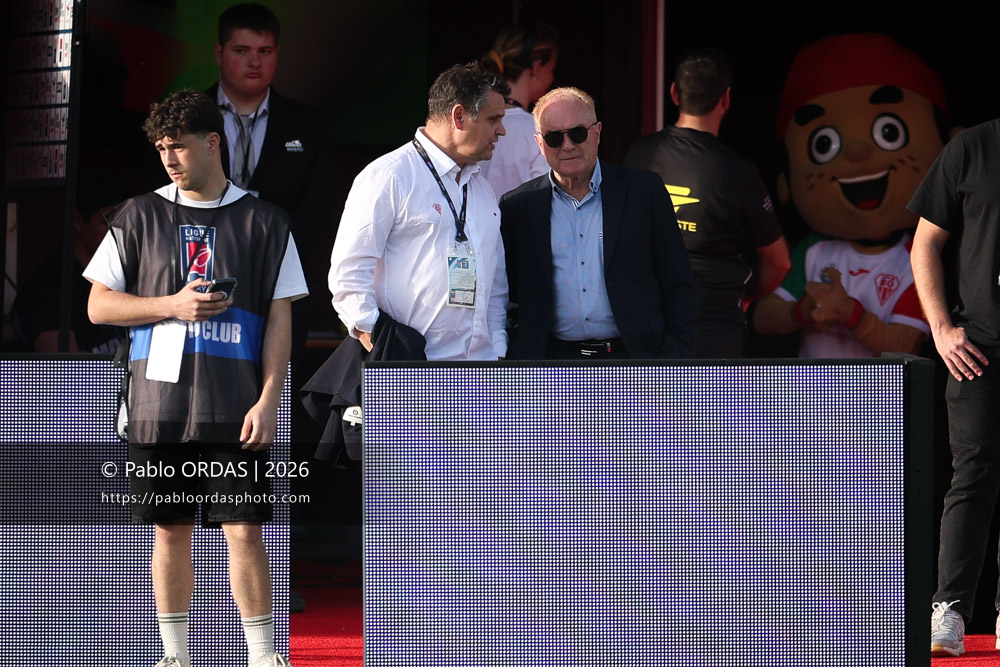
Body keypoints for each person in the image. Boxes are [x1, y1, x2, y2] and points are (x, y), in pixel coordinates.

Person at [84, 88, 306, 667]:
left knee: (244, 532)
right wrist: (171, 305)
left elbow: (281, 318)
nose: (169, 160)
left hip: (237, 408)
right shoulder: (137, 215)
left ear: (212, 143)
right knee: (169, 531)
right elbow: (98, 308)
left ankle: (262, 657)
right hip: (156, 404)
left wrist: (269, 399)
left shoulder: (266, 221)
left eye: (178, 147)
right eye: (160, 149)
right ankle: (176, 657)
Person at [752, 33, 948, 358]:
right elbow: (763, 318)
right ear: (785, 181)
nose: (858, 152)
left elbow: (907, 342)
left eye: (889, 132)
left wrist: (851, 314)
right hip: (808, 400)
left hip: (879, 404)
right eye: (823, 144)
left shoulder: (918, 256)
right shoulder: (815, 249)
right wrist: (803, 310)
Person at [328, 62, 510, 361]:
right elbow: (349, 276)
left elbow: (496, 287)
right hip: (407, 370)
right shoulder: (389, 176)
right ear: (459, 116)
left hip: (480, 372)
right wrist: (387, 349)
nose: (501, 131)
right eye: (494, 119)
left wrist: (497, 350)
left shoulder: (482, 189)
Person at [499, 86, 697, 360]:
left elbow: (678, 280)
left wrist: (674, 353)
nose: (567, 145)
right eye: (554, 137)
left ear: (597, 132)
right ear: (538, 143)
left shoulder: (644, 192)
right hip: (552, 363)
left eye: (577, 133)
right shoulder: (518, 206)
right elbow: (505, 293)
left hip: (636, 359)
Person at [623, 47, 790, 358]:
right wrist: (745, 296)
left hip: (646, 329)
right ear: (726, 99)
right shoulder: (738, 172)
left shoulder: (638, 155)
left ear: (674, 93)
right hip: (713, 332)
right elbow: (780, 262)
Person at [909, 119, 1000, 658]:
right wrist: (941, 328)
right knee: (974, 474)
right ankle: (951, 611)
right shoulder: (973, 147)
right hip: (980, 348)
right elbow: (925, 243)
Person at [13, 179, 127, 353]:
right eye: (108, 223)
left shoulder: (129, 274)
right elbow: (63, 373)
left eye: (125, 224)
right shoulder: (47, 288)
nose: (119, 233)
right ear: (78, 219)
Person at [477, 20, 559, 199]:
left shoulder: (470, 123)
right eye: (552, 69)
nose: (553, 78)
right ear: (537, 67)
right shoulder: (538, 131)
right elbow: (545, 200)